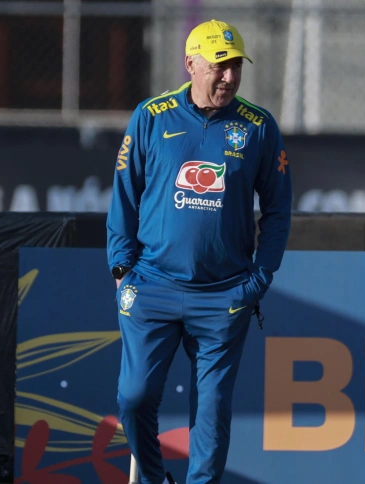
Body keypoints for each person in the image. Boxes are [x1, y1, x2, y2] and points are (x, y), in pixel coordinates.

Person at [106, 19, 292, 484]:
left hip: (224, 294)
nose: (229, 77)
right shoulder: (152, 116)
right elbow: (124, 194)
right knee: (133, 397)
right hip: (152, 285)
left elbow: (278, 210)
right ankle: (153, 479)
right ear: (190, 63)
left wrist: (258, 280)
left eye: (236, 67)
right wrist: (122, 268)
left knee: (210, 414)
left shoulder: (258, 126)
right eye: (219, 66)